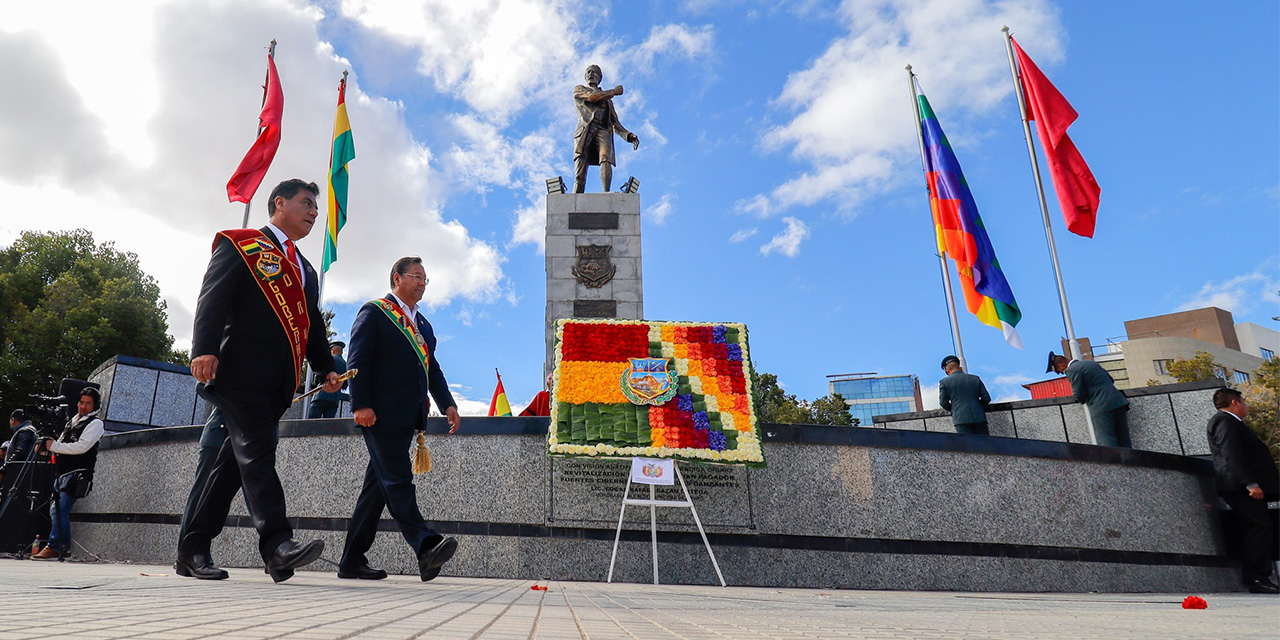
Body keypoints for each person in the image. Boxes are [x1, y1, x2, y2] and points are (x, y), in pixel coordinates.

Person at [177, 178, 341, 583]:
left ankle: (192, 548)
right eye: (306, 203)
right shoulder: (242, 245)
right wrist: (203, 348)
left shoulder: (304, 268)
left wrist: (325, 367)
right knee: (259, 450)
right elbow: (212, 296)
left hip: (277, 383)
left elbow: (312, 327)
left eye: (316, 208)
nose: (313, 213)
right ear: (279, 203)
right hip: (238, 371)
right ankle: (277, 546)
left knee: (231, 468)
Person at [338, 256, 461, 582]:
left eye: (425, 279)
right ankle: (425, 545)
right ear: (397, 278)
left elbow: (431, 369)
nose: (422, 282)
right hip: (379, 412)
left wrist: (447, 402)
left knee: (377, 488)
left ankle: (351, 560)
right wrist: (360, 403)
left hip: (409, 415)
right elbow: (358, 358)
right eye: (417, 276)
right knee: (397, 478)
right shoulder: (375, 312)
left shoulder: (424, 325)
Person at [1207, 387, 1279, 594]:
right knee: (1259, 526)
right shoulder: (1224, 421)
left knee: (1259, 526)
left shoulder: (1231, 422)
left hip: (1243, 487)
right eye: (1244, 402)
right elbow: (1232, 454)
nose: (1246, 406)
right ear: (1235, 403)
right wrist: (1250, 484)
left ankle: (1259, 576)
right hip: (1239, 488)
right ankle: (1256, 577)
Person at [32, 388, 104, 560]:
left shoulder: (95, 423)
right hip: (63, 472)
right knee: (56, 510)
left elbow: (82, 447)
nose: (83, 406)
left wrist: (54, 446)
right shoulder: (73, 421)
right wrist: (46, 450)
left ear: (95, 405)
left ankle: (55, 546)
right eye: (81, 402)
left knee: (60, 510)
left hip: (77, 473)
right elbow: (62, 446)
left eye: (88, 403)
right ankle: (62, 547)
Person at [572, 64, 639, 193]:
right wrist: (613, 92)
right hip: (585, 131)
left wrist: (628, 135)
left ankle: (606, 193)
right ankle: (575, 199)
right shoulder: (579, 89)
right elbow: (593, 97)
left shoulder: (608, 100)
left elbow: (615, 123)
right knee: (580, 174)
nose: (591, 74)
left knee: (605, 158)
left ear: (600, 77)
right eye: (588, 72)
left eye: (594, 72)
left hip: (602, 131)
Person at [1047, 351, 1130, 447]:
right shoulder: (1091, 363)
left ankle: (1114, 462)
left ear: (1061, 364)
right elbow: (1111, 380)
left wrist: (1079, 398)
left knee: (1107, 441)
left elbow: (1078, 394)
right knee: (1124, 440)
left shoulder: (1072, 370)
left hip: (1101, 406)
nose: (1062, 373)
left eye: (1060, 371)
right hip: (1118, 401)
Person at [937, 356, 991, 435]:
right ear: (960, 368)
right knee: (985, 445)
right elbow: (986, 398)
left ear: (947, 371)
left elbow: (943, 403)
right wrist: (978, 407)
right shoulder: (975, 378)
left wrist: (955, 409)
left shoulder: (944, 382)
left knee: (968, 445)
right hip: (979, 417)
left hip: (961, 419)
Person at [308, 341, 350, 419]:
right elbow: (345, 385)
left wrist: (314, 384)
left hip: (321, 395)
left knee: (311, 423)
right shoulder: (346, 365)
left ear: (332, 351)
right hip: (334, 399)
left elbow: (318, 377)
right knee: (328, 425)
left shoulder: (328, 361)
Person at [0, 409, 39, 484]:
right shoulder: (29, 430)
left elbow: (19, 453)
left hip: (19, 475)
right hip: (25, 473)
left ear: (13, 420)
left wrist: (3, 470)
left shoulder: (25, 431)